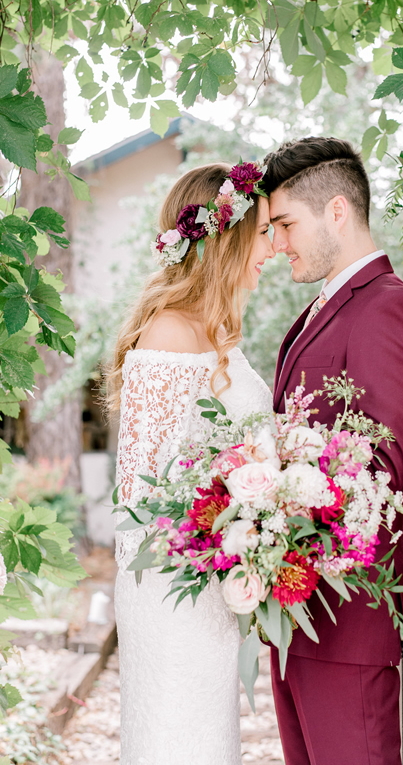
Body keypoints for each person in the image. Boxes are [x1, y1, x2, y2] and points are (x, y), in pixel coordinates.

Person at [263, 137, 403, 765]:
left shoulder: (393, 311)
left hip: (347, 624)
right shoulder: (320, 312)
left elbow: (381, 476)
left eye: (285, 224)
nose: (277, 243)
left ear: (337, 210)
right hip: (299, 617)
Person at [106, 162, 275, 765]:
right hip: (171, 590)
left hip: (209, 584)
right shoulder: (168, 334)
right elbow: (142, 495)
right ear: (227, 238)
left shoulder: (217, 333)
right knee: (179, 741)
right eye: (263, 233)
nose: (274, 246)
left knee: (211, 742)